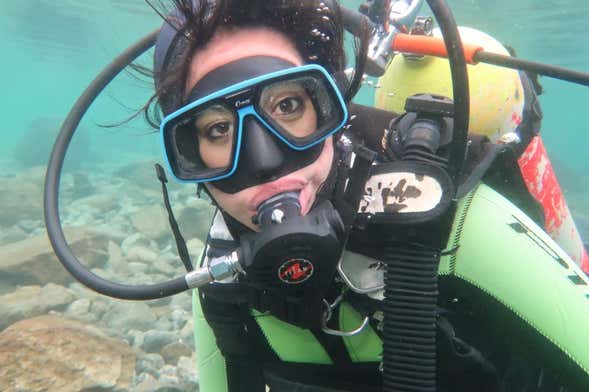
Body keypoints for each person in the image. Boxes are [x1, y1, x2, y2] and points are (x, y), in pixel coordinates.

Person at [147, 1, 589, 391]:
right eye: (219, 129)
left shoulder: (451, 224)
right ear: (192, 157)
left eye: (288, 106)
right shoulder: (224, 285)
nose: (263, 161)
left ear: (330, 109)